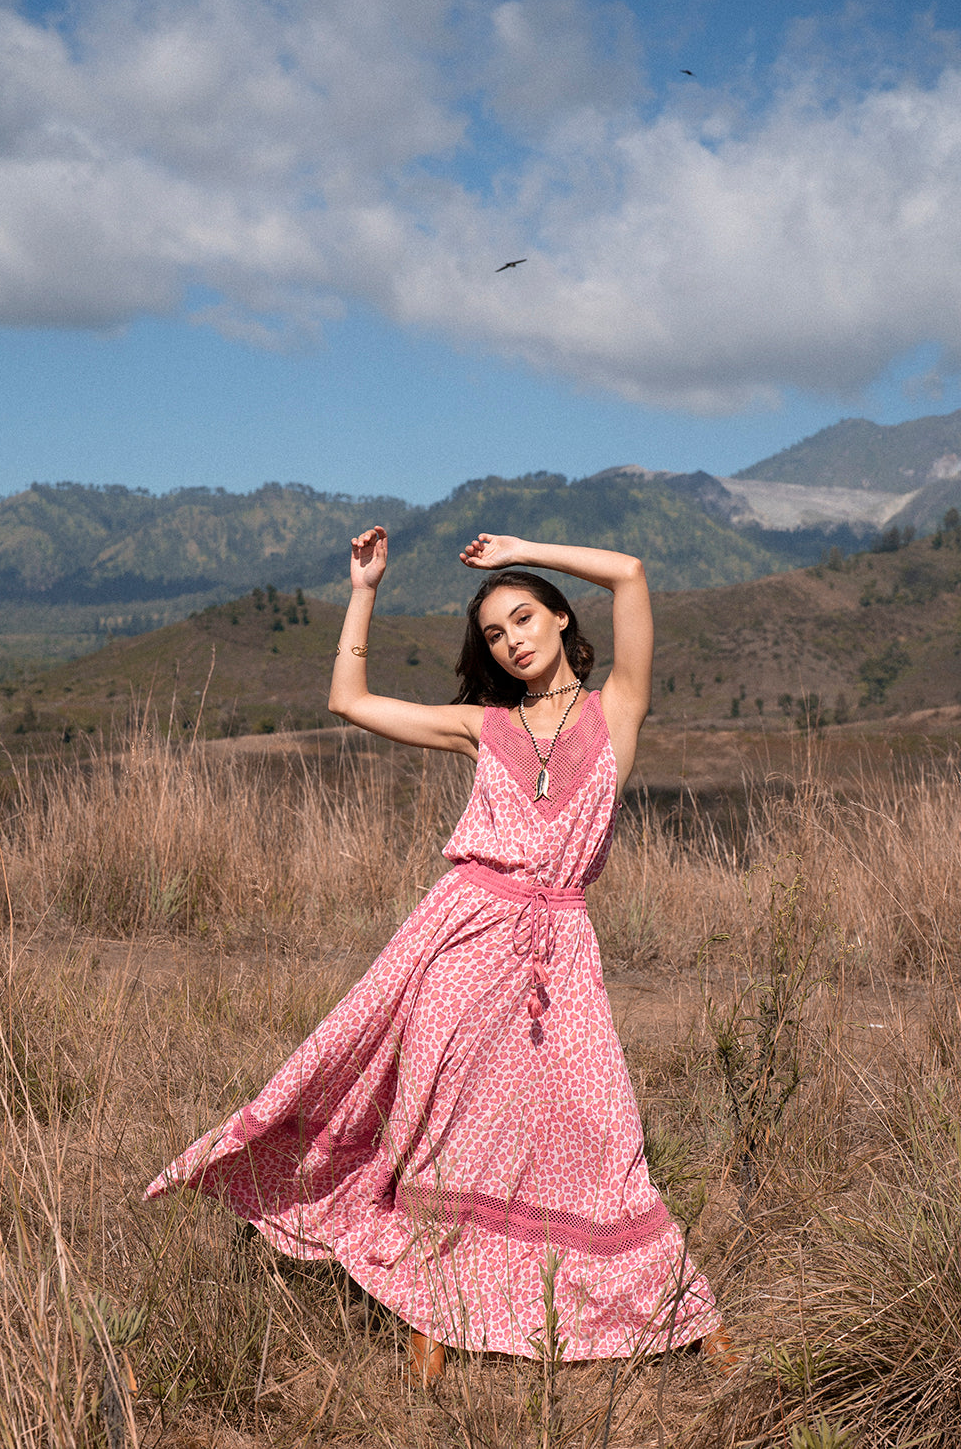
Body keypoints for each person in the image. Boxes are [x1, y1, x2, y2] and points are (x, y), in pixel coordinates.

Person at [146, 528, 729, 1382]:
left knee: (602, 1133)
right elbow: (350, 700)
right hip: (462, 938)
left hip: (558, 951)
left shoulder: (618, 710)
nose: (514, 640)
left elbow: (634, 572)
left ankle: (669, 1307)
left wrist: (521, 549)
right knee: (450, 1130)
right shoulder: (482, 728)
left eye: (525, 617)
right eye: (495, 634)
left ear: (563, 619)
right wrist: (365, 589)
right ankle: (436, 1316)